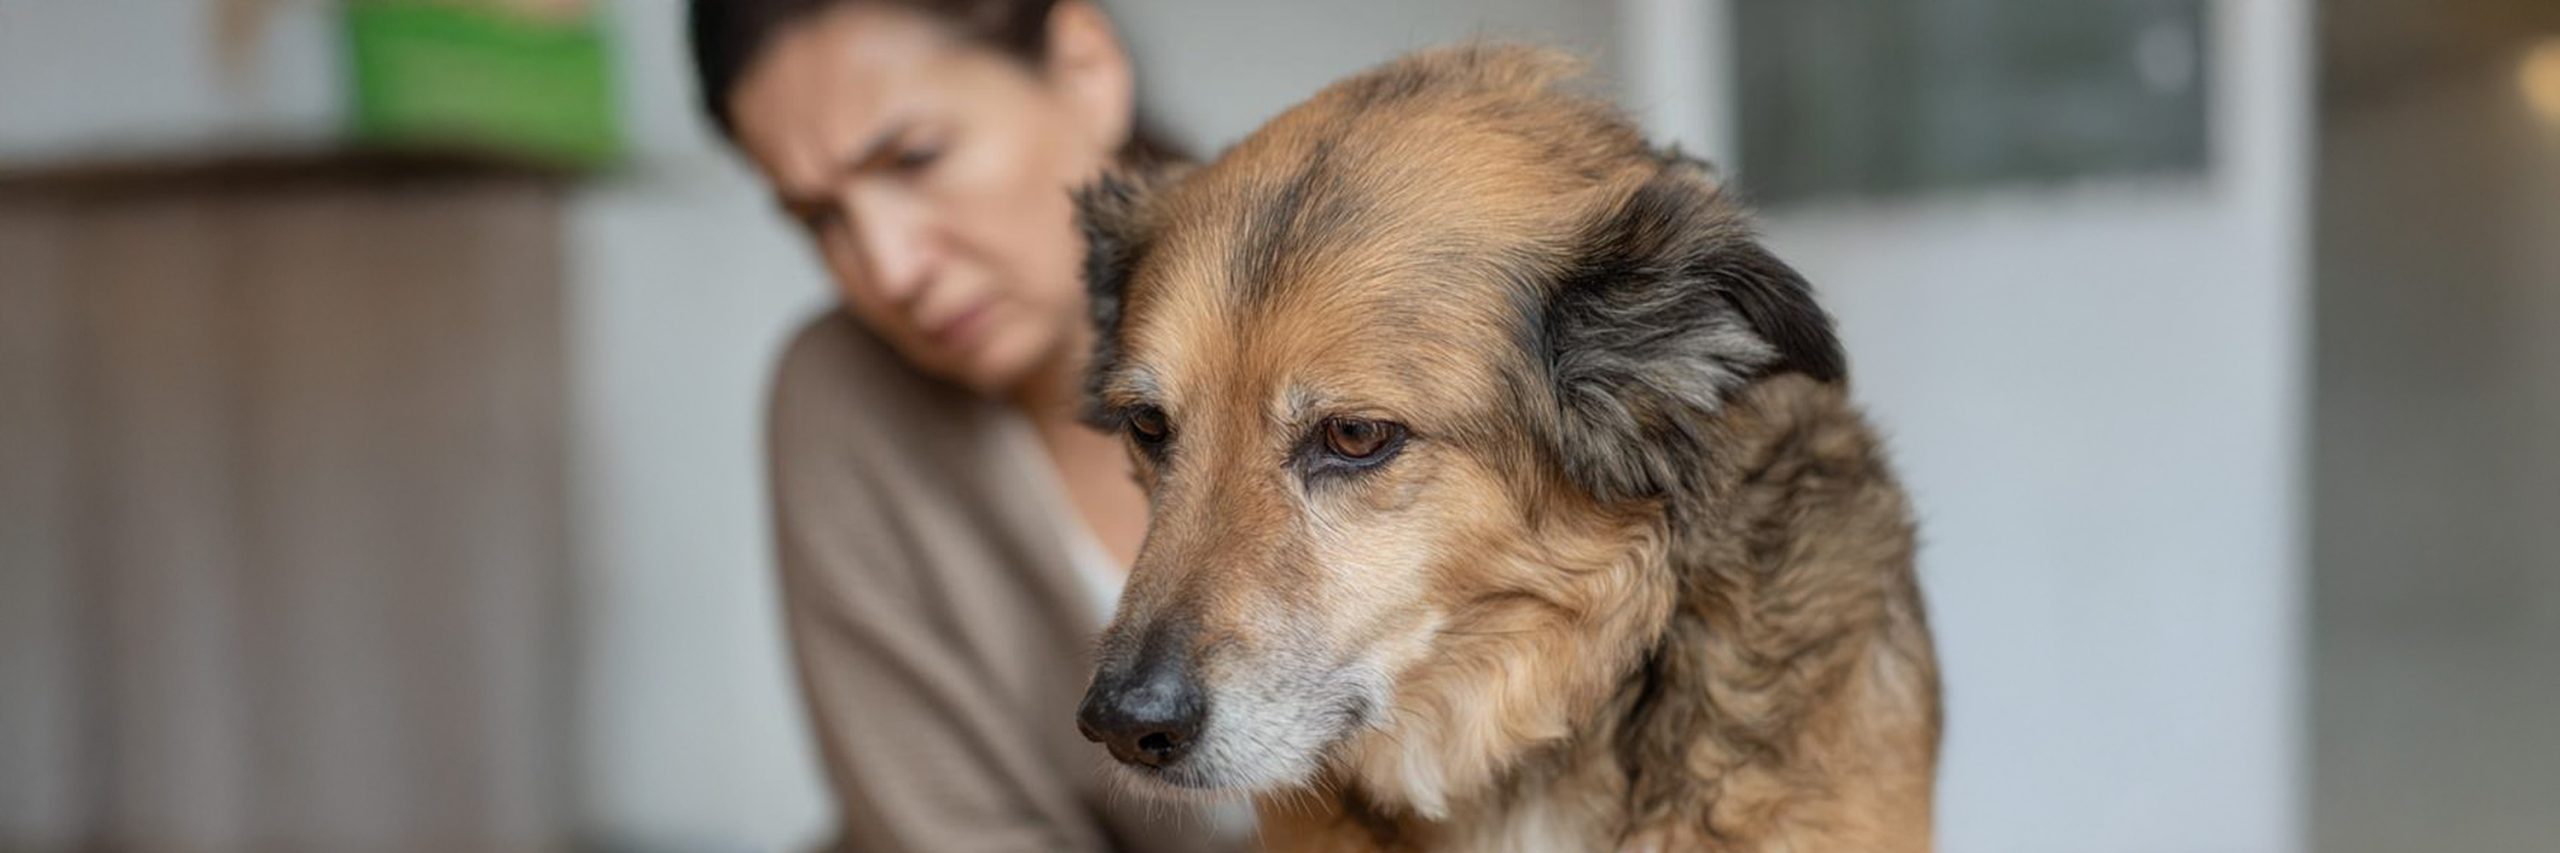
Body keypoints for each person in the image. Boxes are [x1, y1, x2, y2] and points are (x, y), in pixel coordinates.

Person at [686, 1, 1229, 850]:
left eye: (914, 158)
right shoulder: (846, 394)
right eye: (821, 218)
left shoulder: (1361, 321)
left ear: (1087, 68)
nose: (888, 268)